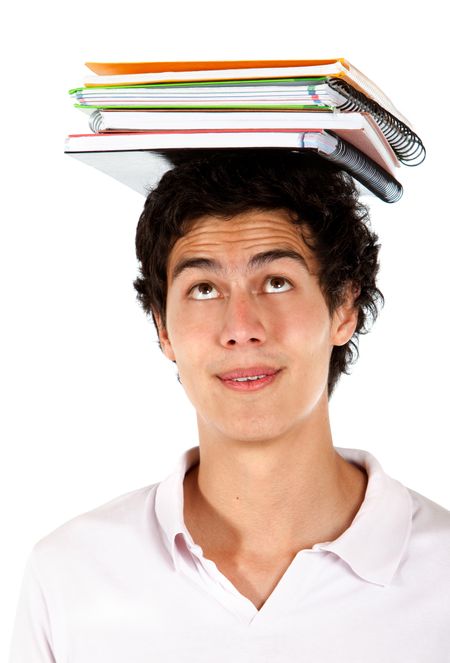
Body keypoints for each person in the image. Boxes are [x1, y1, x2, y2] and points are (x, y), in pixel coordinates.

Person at [9, 150, 450, 662]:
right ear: (162, 328)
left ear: (344, 308)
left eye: (276, 282)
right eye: (203, 288)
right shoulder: (69, 576)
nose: (241, 327)